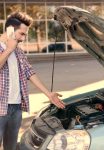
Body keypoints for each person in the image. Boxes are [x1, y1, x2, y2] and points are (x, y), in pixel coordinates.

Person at [0, 12, 65, 150]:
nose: (24, 38)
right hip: (0, 107)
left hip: (16, 108)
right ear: (10, 30)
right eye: (22, 34)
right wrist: (9, 49)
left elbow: (29, 72)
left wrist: (49, 94)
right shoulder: (9, 48)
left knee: (10, 147)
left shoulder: (18, 51)